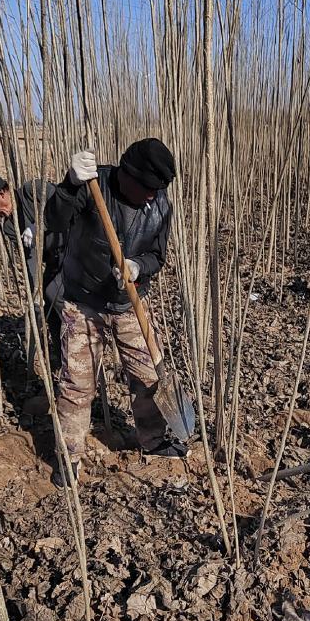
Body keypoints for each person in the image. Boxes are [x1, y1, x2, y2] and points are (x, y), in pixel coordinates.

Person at [49, 138, 187, 485]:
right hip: (83, 303)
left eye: (159, 190)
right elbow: (53, 220)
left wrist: (138, 266)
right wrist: (68, 185)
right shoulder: (93, 187)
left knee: (149, 379)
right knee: (76, 387)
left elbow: (157, 256)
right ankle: (70, 457)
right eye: (148, 188)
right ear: (127, 175)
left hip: (129, 305)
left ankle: (154, 440)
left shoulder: (160, 206)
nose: (153, 196)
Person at [0, 172, 65, 366]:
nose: (0, 214)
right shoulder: (9, 227)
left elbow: (65, 204)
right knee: (48, 304)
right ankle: (64, 356)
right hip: (54, 262)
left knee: (60, 298)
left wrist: (38, 224)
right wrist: (36, 290)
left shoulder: (33, 190)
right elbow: (30, 258)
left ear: (2, 193)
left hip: (76, 249)